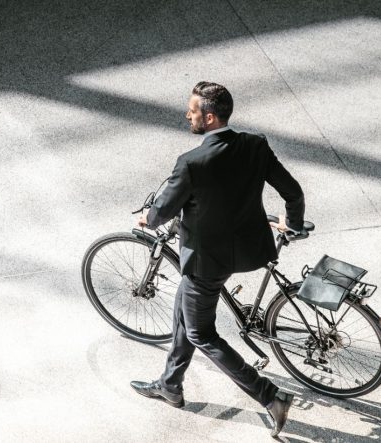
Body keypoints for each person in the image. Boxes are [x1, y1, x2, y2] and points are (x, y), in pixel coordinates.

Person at [131, 81, 305, 437]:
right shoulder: (255, 145)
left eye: (192, 110)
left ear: (209, 117)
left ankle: (270, 397)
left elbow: (164, 210)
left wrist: (147, 219)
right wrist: (293, 223)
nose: (187, 114)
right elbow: (293, 190)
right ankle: (170, 385)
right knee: (184, 306)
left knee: (201, 333)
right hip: (249, 248)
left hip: (209, 260)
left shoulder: (192, 163)